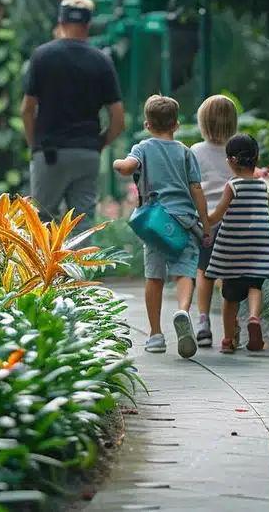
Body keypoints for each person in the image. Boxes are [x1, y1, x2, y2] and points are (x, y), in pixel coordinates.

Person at [114, 95, 210, 358]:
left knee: (154, 277)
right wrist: (206, 222)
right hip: (184, 222)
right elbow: (197, 190)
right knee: (184, 273)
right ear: (176, 125)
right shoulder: (185, 152)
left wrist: (117, 163)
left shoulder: (142, 148)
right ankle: (182, 310)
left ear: (147, 125)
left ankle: (155, 334)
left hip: (155, 224)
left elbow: (127, 168)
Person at [22, 0, 126, 230]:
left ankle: (47, 269)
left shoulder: (42, 56)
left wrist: (34, 145)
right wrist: (97, 143)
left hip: (49, 153)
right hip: (86, 153)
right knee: (82, 226)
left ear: (60, 21)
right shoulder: (102, 61)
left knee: (43, 226)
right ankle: (81, 267)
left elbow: (27, 109)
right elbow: (118, 119)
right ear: (88, 25)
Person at [206, 134, 269, 354]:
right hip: (259, 245)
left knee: (231, 295)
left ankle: (227, 339)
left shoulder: (232, 186)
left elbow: (217, 215)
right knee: (255, 285)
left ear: (231, 161)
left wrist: (202, 217)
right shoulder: (264, 186)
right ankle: (254, 317)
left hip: (233, 249)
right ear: (257, 158)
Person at [190, 95, 238, 348]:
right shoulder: (239, 150)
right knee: (231, 274)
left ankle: (203, 322)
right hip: (235, 222)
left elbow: (190, 186)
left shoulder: (195, 152)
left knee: (204, 273)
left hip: (207, 222)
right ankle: (231, 330)